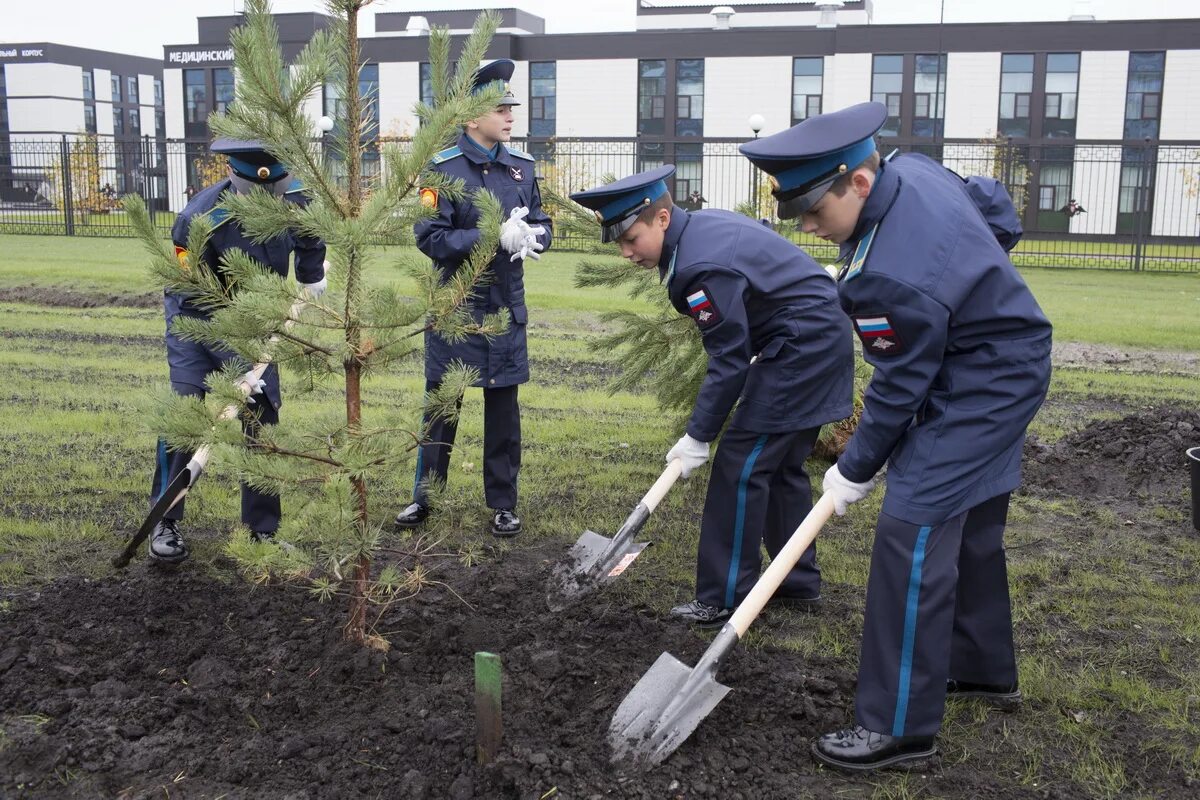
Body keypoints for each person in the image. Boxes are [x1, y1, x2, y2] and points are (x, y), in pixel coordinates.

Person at [741, 102, 1052, 771]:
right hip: (1010, 355)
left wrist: (852, 469)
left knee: (910, 531)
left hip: (980, 383)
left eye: (817, 215)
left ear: (857, 181)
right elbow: (994, 208)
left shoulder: (890, 273)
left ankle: (899, 727)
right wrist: (966, 276)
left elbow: (897, 390)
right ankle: (981, 666)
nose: (812, 230)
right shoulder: (912, 168)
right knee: (970, 525)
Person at [569, 166, 853, 627]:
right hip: (816, 337)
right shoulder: (699, 233)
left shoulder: (699, 265)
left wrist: (698, 435)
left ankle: (722, 596)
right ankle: (794, 581)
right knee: (778, 466)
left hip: (802, 349)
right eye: (618, 244)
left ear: (661, 219)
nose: (626, 253)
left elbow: (729, 358)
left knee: (740, 464)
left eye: (630, 238)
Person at [148, 138, 327, 565]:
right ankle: (165, 520)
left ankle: (262, 530)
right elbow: (192, 296)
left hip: (263, 327)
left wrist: (311, 276)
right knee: (187, 415)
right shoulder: (200, 218)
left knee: (262, 419)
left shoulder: (298, 198)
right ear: (233, 177)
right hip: (198, 322)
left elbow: (311, 244)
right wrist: (236, 361)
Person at [394, 59, 552, 537]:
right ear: (470, 116)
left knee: (504, 412)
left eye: (511, 107)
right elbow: (431, 240)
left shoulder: (521, 168)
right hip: (456, 307)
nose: (509, 115)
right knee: (443, 407)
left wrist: (531, 236)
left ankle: (503, 502)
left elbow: (545, 225)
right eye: (499, 107)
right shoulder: (441, 171)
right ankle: (425, 498)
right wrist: (489, 237)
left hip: (506, 305)